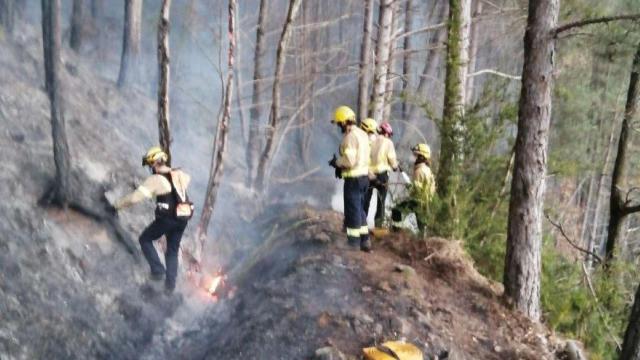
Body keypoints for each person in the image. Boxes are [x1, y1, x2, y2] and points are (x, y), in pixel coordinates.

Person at [113, 146, 193, 293]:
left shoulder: (156, 179)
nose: (150, 168)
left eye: (151, 165)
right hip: (183, 218)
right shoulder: (179, 174)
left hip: (167, 218)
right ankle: (170, 287)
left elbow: (135, 198)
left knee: (145, 239)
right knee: (172, 250)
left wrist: (116, 206)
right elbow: (187, 179)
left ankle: (157, 270)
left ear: (155, 163)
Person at [329, 106, 371, 251]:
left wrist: (337, 163)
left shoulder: (350, 137)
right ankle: (365, 241)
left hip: (354, 180)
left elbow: (349, 161)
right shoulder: (362, 134)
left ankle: (353, 244)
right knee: (360, 210)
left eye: (339, 123)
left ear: (344, 122)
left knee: (353, 211)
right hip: (364, 178)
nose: (338, 126)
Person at [391, 143, 435, 234]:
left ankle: (397, 234)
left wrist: (407, 185)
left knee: (396, 210)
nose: (413, 157)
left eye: (416, 155)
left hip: (418, 202)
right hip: (424, 202)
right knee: (422, 225)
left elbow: (416, 189)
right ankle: (423, 241)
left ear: (421, 157)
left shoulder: (419, 171)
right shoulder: (426, 169)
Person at [365, 122, 399, 228]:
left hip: (369, 175)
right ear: (387, 133)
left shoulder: (370, 140)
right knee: (381, 202)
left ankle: (361, 222)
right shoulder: (388, 143)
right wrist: (395, 166)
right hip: (382, 175)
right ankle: (378, 225)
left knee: (366, 200)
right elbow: (392, 161)